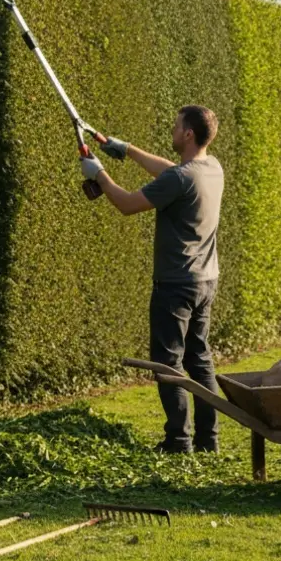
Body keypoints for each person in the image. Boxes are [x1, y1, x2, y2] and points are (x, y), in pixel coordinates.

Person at [80, 105, 224, 454]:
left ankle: (178, 441)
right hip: (206, 280)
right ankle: (208, 441)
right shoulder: (211, 167)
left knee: (168, 362)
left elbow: (128, 204)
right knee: (199, 359)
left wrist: (100, 174)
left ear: (188, 134)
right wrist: (126, 149)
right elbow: (173, 171)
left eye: (177, 127)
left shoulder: (180, 179)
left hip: (175, 284)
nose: (172, 130)